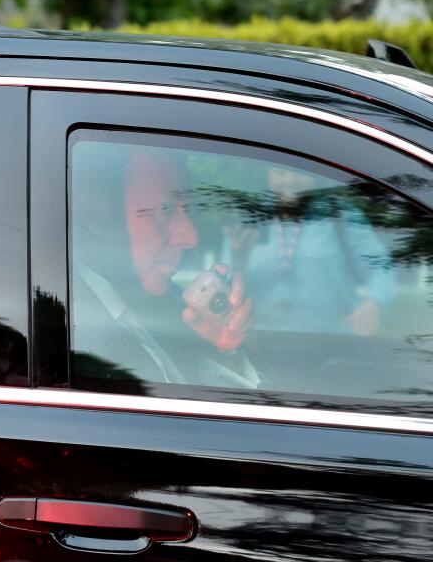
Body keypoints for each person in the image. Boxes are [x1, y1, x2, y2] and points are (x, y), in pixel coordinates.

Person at [71, 145, 260, 389]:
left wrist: (224, 348)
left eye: (190, 212)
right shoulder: (69, 336)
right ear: (98, 216)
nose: (191, 237)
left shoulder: (174, 310)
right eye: (165, 210)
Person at [223, 165, 396, 337]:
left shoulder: (339, 214)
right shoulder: (249, 219)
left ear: (314, 175)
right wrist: (239, 259)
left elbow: (380, 266)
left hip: (332, 345)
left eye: (299, 171)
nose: (289, 180)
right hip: (262, 346)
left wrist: (374, 304)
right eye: (280, 172)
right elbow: (226, 291)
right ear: (268, 175)